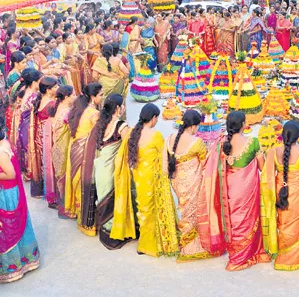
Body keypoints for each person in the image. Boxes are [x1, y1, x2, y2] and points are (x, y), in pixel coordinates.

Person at [200, 111, 269, 271]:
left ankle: (235, 252)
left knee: (233, 220)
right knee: (247, 220)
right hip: (246, 191)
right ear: (244, 125)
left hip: (228, 190)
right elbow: (262, 168)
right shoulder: (253, 142)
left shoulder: (221, 143)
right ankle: (243, 257)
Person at [112, 103, 179, 257]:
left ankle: (144, 243)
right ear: (153, 118)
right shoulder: (155, 135)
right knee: (152, 210)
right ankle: (150, 244)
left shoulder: (132, 133)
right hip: (152, 178)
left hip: (139, 177)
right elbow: (164, 156)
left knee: (143, 210)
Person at [260, 120, 299, 271]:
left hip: (281, 192)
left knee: (283, 222)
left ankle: (284, 254)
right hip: (298, 193)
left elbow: (267, 175)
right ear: (298, 135)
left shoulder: (274, 151)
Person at [166, 110, 212, 262]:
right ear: (193, 126)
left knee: (184, 210)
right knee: (192, 213)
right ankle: (190, 247)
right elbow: (206, 162)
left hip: (177, 182)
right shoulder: (196, 142)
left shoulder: (171, 138)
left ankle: (185, 242)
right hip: (192, 182)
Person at [88, 94, 129, 250]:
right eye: (123, 105)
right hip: (112, 169)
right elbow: (128, 146)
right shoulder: (121, 126)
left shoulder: (100, 123)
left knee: (103, 199)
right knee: (112, 202)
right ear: (118, 108)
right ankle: (113, 237)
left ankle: (104, 233)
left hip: (100, 167)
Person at [0, 128, 40, 283]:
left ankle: (14, 266)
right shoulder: (4, 142)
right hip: (10, 191)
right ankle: (26, 260)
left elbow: (11, 174)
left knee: (8, 227)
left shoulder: (1, 152)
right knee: (16, 225)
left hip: (7, 194)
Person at [64, 82, 103, 232]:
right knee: (85, 182)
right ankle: (86, 220)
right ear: (93, 97)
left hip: (75, 148)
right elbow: (99, 134)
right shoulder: (93, 113)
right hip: (85, 151)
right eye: (100, 95)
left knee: (77, 180)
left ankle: (79, 212)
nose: (102, 97)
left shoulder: (80, 108)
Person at [9, 69, 42, 182]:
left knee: (25, 148)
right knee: (30, 149)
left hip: (23, 123)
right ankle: (30, 173)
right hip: (28, 125)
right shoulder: (34, 96)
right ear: (33, 83)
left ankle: (27, 172)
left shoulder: (25, 90)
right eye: (39, 81)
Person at [49, 85, 74, 218]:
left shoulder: (58, 107)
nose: (75, 97)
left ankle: (63, 205)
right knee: (65, 177)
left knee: (61, 177)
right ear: (66, 97)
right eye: (73, 95)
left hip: (58, 146)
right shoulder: (66, 112)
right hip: (63, 147)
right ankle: (66, 209)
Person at [33, 77, 58, 202]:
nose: (57, 89)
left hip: (41, 133)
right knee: (51, 163)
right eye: (55, 87)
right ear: (48, 90)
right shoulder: (52, 104)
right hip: (48, 135)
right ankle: (52, 192)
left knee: (46, 162)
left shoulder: (41, 99)